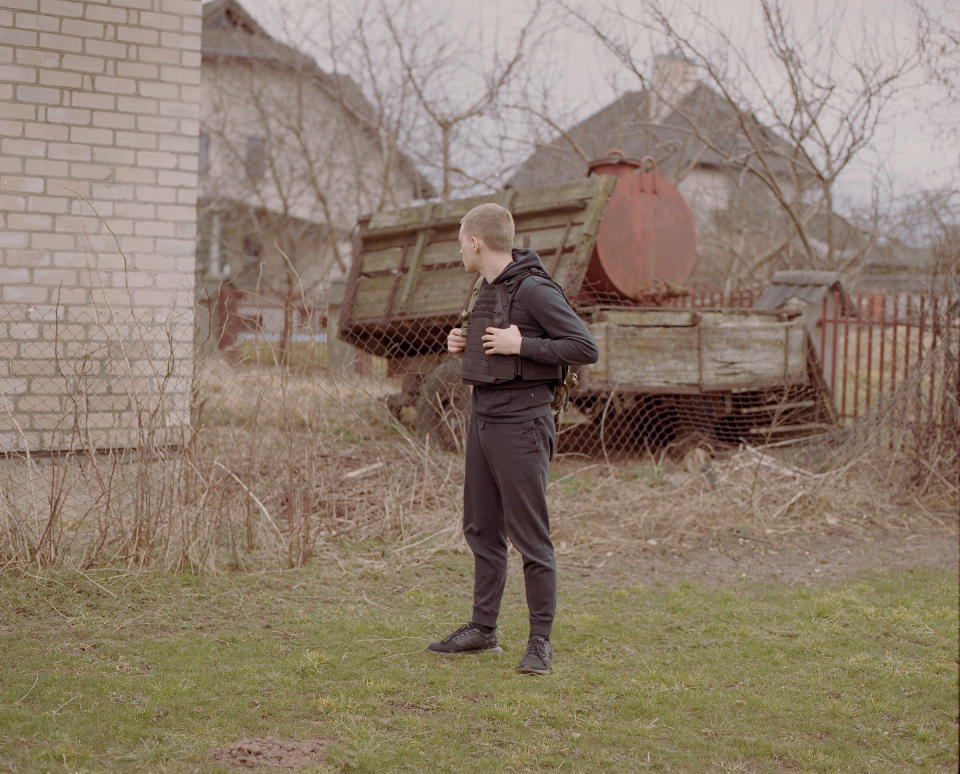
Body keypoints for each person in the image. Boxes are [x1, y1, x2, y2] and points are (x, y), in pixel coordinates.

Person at [426, 202, 599, 675]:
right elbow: (492, 341)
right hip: (483, 417)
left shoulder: (535, 289)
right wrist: (463, 342)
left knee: (530, 537)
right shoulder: (486, 286)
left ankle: (540, 642)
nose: (459, 249)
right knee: (481, 529)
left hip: (522, 422)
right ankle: (484, 631)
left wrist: (520, 345)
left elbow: (584, 347)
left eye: (461, 241)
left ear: (477, 242)